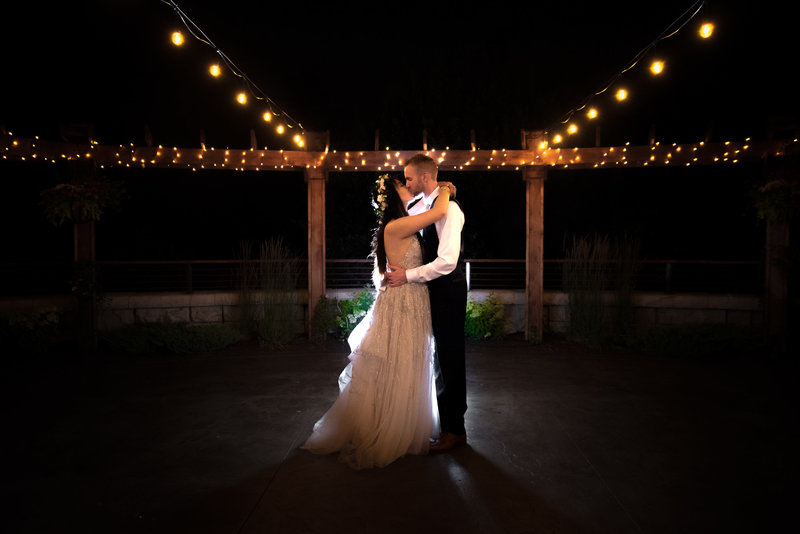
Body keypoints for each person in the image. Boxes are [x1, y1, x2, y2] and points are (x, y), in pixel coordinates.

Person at [301, 176, 454, 469]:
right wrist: (446, 188)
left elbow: (427, 209)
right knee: (399, 363)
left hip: (412, 299)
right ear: (392, 196)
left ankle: (405, 425)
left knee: (407, 363)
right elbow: (437, 212)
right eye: (402, 184)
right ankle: (389, 428)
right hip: (403, 304)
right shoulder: (396, 226)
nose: (409, 186)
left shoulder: (402, 222)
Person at [386, 154, 468, 453]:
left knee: (450, 358)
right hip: (435, 290)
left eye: (409, 178)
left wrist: (408, 275)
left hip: (448, 289)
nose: (407, 183)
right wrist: (444, 189)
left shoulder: (449, 211)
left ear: (423, 177)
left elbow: (446, 262)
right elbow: (411, 208)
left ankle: (455, 430)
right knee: (440, 358)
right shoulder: (431, 206)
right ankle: (448, 424)